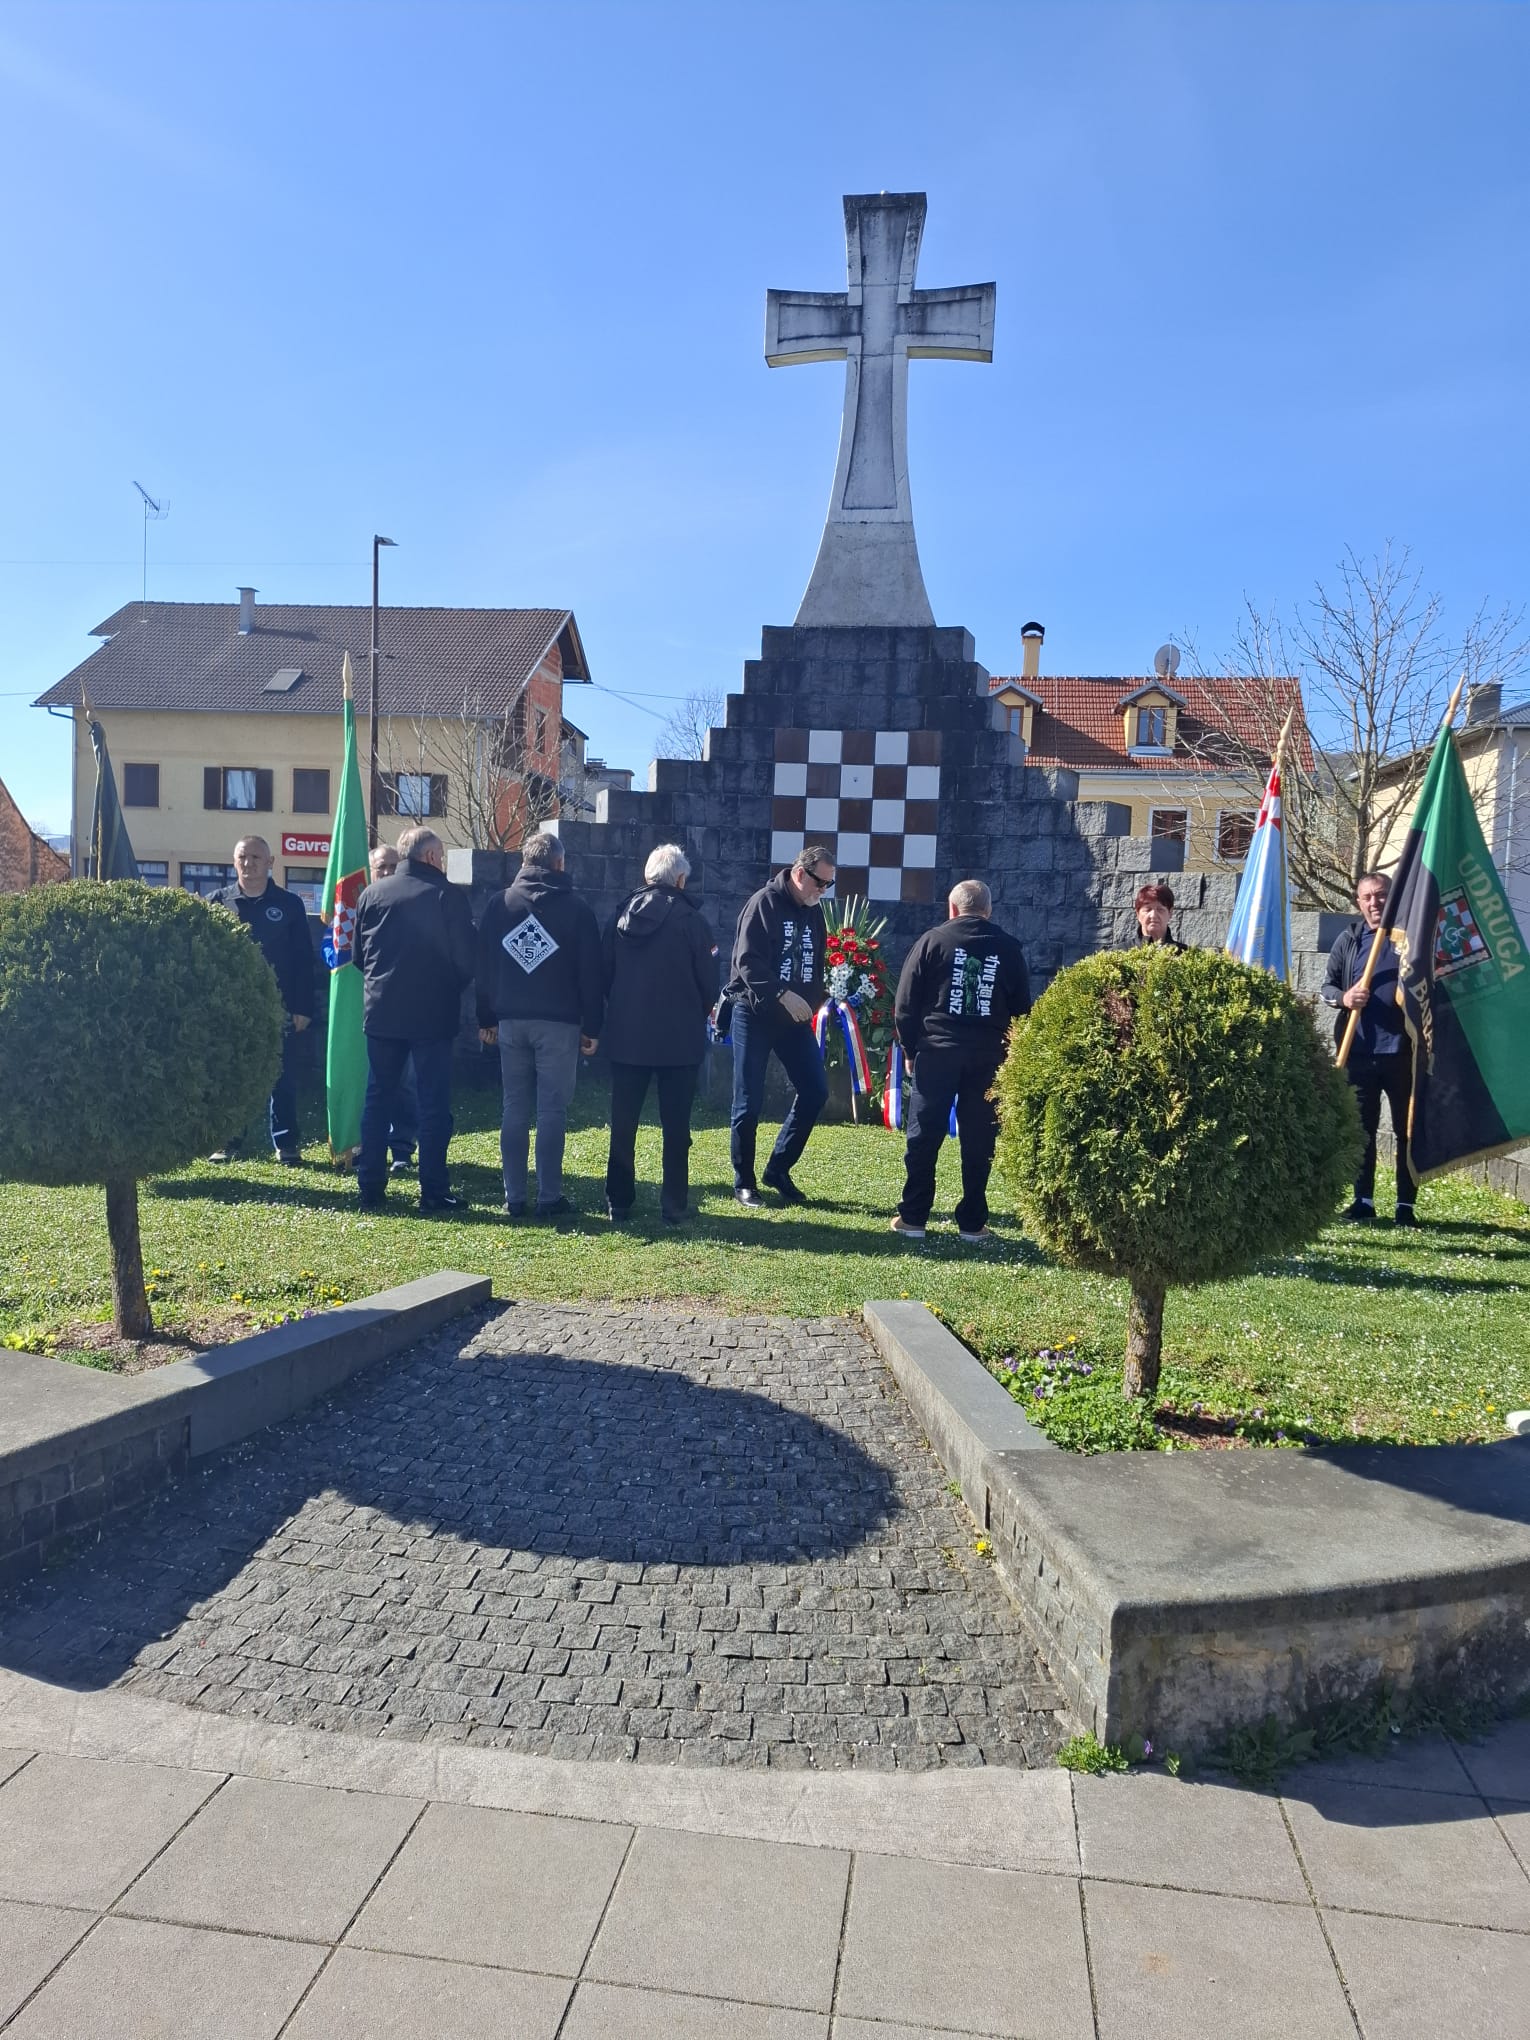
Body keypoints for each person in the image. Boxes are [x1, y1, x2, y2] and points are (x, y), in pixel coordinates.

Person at [889, 878, 1031, 1243]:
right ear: (988, 910)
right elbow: (1022, 1010)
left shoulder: (932, 941)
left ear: (952, 909)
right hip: (988, 1057)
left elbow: (905, 1004)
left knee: (924, 1135)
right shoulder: (1009, 948)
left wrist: (910, 1049)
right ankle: (972, 1224)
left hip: (937, 1052)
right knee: (979, 1139)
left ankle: (913, 1218)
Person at [476, 830, 603, 1219]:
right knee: (552, 1110)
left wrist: (485, 1017)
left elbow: (484, 967)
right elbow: (591, 974)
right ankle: (549, 1197)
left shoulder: (500, 904)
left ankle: (514, 1197)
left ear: (523, 862)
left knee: (513, 1107)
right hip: (559, 1024)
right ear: (559, 864)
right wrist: (592, 1026)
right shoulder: (578, 910)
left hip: (511, 1021)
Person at [353, 825, 475, 1212]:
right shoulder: (447, 895)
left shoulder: (371, 894)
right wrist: (447, 988)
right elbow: (466, 961)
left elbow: (359, 956)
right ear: (432, 856)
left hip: (382, 1011)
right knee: (432, 1103)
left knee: (378, 1098)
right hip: (432, 1014)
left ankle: (370, 1186)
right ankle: (433, 1190)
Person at [601, 843, 720, 1224]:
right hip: (679, 1040)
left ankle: (618, 1201)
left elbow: (605, 972)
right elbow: (709, 982)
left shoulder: (620, 915)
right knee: (676, 1127)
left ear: (647, 875)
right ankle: (674, 1205)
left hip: (628, 1035)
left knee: (623, 1123)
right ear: (680, 879)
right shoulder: (692, 921)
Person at [723, 844, 834, 1207]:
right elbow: (747, 962)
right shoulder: (763, 903)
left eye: (829, 885)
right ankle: (744, 1182)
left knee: (815, 1090)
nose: (823, 891)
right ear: (800, 873)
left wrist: (815, 999)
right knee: (748, 1101)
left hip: (793, 1019)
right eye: (819, 883)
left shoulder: (814, 912)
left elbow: (815, 960)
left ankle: (778, 1168)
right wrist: (782, 994)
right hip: (754, 1013)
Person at [209, 836, 315, 1164]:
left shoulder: (289, 904)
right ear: (234, 861)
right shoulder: (217, 902)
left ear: (270, 863)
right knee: (231, 1076)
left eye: (256, 857)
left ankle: (286, 1144)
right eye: (243, 856)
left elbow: (303, 960)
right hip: (232, 1008)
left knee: (282, 1077)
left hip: (279, 1006)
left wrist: (303, 1007)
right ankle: (228, 1141)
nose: (249, 863)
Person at [1321, 870, 1416, 1226]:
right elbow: (1327, 988)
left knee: (1408, 1131)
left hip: (1404, 1054)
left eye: (1381, 895)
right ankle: (1363, 1200)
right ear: (1358, 902)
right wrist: (1344, 998)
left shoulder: (1409, 938)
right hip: (1359, 1053)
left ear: (1392, 897)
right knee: (1363, 1131)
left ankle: (1405, 1206)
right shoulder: (1349, 940)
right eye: (1368, 897)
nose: (1375, 903)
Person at [368, 842, 418, 1176]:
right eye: (380, 867)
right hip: (367, 1009)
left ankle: (401, 1148)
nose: (386, 872)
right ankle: (361, 1146)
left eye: (392, 866)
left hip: (404, 1011)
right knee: (370, 1086)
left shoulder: (410, 903)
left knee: (404, 1083)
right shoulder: (361, 902)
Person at [1133, 882, 1189, 949]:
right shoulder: (1123, 952)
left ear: (1170, 913)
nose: (1153, 915)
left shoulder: (1185, 953)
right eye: (1148, 910)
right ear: (1138, 914)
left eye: (1160, 909)